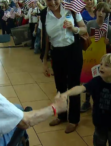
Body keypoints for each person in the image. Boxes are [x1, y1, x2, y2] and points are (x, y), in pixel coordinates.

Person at [61, 54, 111, 146]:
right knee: (99, 142)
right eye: (101, 64)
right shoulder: (96, 81)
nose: (101, 67)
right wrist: (66, 93)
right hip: (99, 124)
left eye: (106, 65)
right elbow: (81, 88)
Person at [41, 0, 87, 133]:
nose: (53, 2)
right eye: (49, 0)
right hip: (57, 53)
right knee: (60, 86)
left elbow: (84, 28)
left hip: (73, 51)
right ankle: (61, 115)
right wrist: (44, 61)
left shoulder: (71, 9)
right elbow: (45, 38)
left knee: (73, 85)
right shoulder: (44, 14)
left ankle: (74, 119)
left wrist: (74, 29)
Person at [81, 2, 111, 112]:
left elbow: (110, 45)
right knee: (89, 78)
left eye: (104, 12)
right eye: (99, 10)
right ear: (96, 12)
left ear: (107, 15)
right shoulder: (90, 24)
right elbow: (85, 38)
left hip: (102, 58)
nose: (101, 13)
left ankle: (98, 101)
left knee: (100, 79)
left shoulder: (108, 28)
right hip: (91, 56)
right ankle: (87, 101)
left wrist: (108, 42)